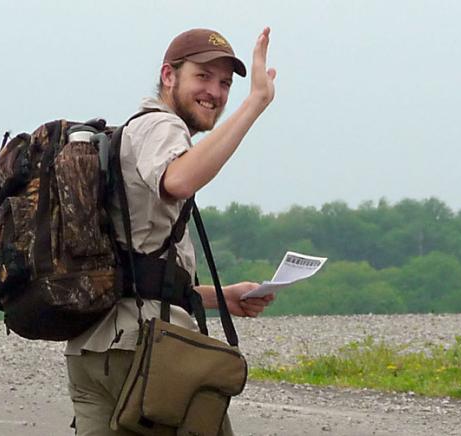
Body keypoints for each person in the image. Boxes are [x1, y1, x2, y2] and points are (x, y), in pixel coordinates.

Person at [64, 27, 278, 436]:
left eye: (226, 84)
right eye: (202, 76)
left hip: (92, 351)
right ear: (168, 76)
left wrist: (222, 298)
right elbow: (178, 180)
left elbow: (138, 275)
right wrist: (255, 102)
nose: (215, 92)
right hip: (146, 351)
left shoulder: (130, 134)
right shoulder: (162, 127)